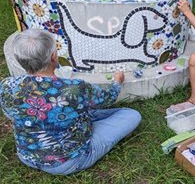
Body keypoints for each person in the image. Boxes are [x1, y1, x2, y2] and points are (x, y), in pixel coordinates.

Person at [0, 29, 141, 175]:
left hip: (27, 156)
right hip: (67, 161)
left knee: (79, 111)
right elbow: (109, 98)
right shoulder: (73, 89)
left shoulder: (6, 85)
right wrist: (117, 82)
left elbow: (12, 114)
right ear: (53, 56)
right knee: (131, 115)